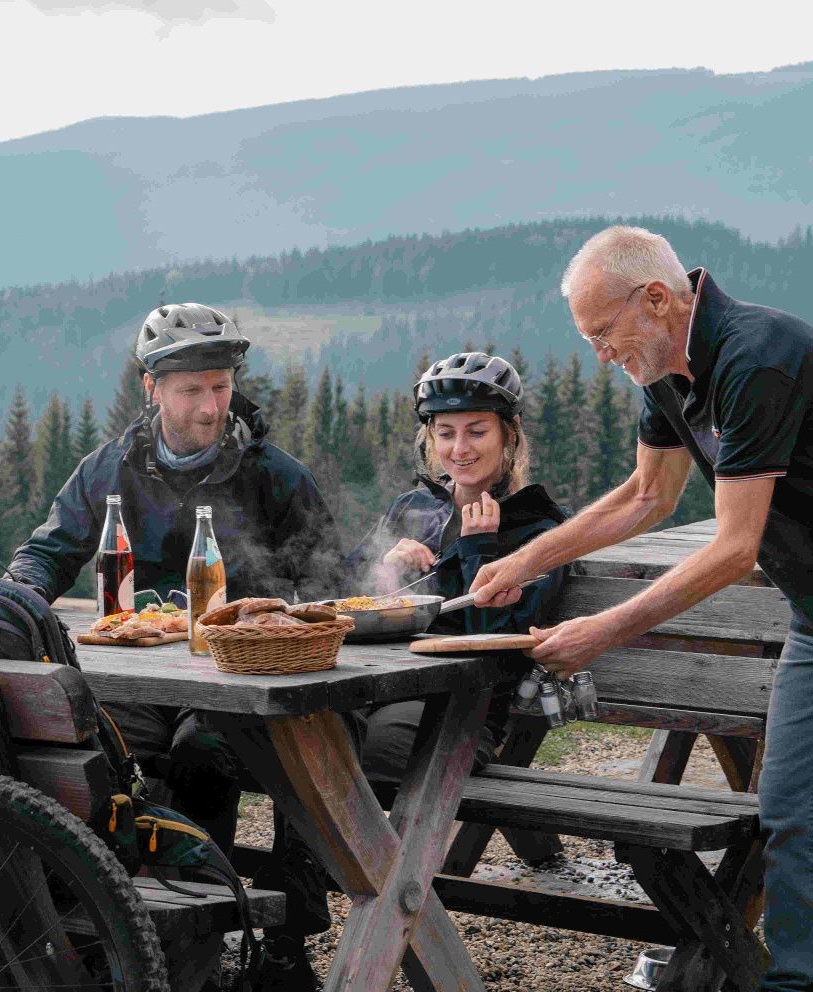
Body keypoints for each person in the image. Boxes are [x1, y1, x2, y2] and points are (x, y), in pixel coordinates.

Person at [469, 225, 813, 992]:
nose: (599, 354)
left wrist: (607, 630)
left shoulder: (758, 357)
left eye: (603, 333)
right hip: (812, 615)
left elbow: (733, 546)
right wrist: (523, 560)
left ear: (657, 299)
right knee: (794, 817)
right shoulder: (667, 366)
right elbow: (645, 497)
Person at [8, 301, 342, 991]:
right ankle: (119, 929)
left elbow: (325, 580)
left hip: (238, 682)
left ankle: (214, 942)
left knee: (202, 756)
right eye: (192, 390)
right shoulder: (107, 470)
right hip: (133, 680)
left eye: (221, 386)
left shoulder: (274, 475)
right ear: (152, 389)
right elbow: (49, 551)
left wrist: (276, 616)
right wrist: (15, 594)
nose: (211, 406)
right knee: (90, 757)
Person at [345, 351, 568, 784]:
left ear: (510, 435)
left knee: (366, 755)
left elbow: (498, 644)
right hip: (376, 683)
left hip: (463, 707)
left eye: (477, 432)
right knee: (302, 734)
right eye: (445, 433)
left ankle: (386, 854)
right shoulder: (412, 508)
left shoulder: (539, 528)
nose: (459, 449)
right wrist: (384, 567)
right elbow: (342, 597)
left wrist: (479, 550)